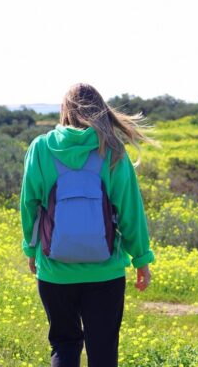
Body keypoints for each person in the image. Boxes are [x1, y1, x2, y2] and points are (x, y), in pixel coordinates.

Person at [20, 83, 156, 367]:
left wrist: (31, 251)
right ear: (101, 110)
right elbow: (130, 210)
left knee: (64, 345)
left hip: (55, 271)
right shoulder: (112, 150)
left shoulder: (41, 148)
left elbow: (29, 205)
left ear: (64, 111)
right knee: (103, 353)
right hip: (105, 274)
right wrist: (141, 258)